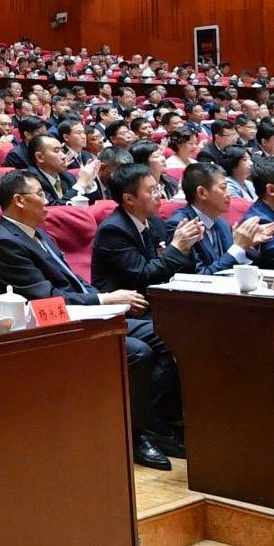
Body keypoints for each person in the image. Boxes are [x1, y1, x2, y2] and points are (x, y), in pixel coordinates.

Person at [87, 166, 195, 469]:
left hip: (153, 306)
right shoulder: (114, 229)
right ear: (129, 198)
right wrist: (177, 249)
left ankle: (172, 419)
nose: (158, 195)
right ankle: (152, 425)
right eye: (150, 190)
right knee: (164, 338)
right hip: (119, 311)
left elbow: (172, 269)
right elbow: (142, 277)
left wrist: (186, 249)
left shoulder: (154, 224)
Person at [0, 168, 142, 310]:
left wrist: (107, 300)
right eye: (40, 194)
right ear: (19, 200)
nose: (46, 201)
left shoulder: (37, 231)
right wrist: (104, 299)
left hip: (85, 309)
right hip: (63, 324)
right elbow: (44, 298)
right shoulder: (5, 244)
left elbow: (70, 279)